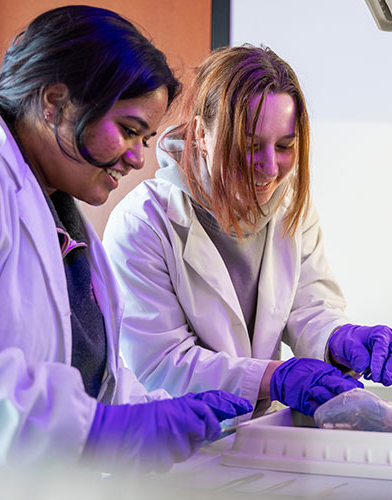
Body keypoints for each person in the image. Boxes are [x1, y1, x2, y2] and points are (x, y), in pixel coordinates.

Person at [0, 6, 257, 471]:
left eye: (144, 139)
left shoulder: (64, 218)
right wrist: (98, 432)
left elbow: (93, 383)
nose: (134, 158)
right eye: (128, 131)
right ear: (54, 101)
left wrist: (168, 413)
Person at [103, 45, 378, 419]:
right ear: (201, 133)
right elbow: (159, 365)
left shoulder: (291, 206)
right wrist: (274, 377)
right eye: (250, 146)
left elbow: (310, 309)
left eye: (285, 146)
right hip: (178, 446)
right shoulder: (143, 222)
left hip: (261, 436)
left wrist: (340, 340)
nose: (269, 168)